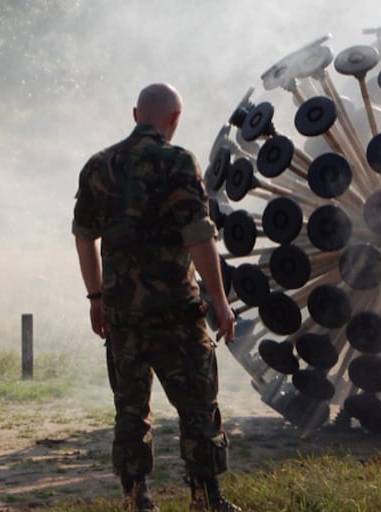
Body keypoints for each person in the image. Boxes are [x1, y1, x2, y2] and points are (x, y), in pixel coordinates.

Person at [72, 83, 241, 512]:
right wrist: (219, 300)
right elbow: (199, 236)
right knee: (198, 407)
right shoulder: (178, 162)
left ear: (135, 115)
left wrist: (95, 297)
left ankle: (136, 497)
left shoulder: (98, 166)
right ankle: (205, 499)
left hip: (123, 315)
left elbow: (83, 237)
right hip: (176, 314)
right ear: (174, 120)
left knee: (130, 410)